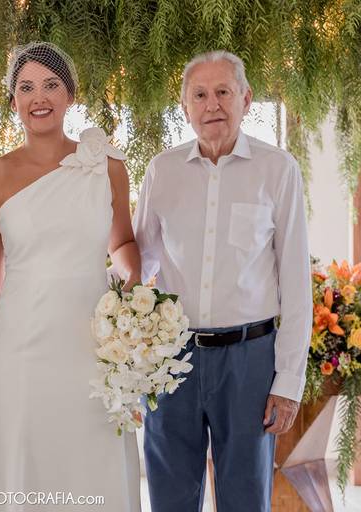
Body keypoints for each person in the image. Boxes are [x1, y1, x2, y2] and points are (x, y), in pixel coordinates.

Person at [133, 51, 312, 512]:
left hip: (250, 361)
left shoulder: (278, 170)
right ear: (184, 107)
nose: (211, 104)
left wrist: (288, 382)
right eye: (199, 95)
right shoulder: (162, 171)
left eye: (222, 92)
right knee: (170, 497)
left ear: (246, 99)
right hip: (172, 359)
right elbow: (138, 264)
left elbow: (296, 283)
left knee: (246, 499)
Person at [0, 42, 142, 510]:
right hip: (19, 347)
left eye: (51, 85)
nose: (39, 97)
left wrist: (131, 289)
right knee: (25, 461)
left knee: (92, 458)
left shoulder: (107, 166)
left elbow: (123, 244)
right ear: (13, 101)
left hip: (94, 342)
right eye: (26, 88)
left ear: (70, 94)